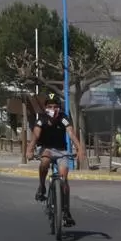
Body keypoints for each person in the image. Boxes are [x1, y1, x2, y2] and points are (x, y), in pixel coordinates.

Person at [27, 92, 84, 227]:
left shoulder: (63, 118)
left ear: (59, 107)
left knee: (64, 178)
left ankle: (66, 211)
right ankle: (42, 186)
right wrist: (29, 150)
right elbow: (35, 136)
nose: (53, 109)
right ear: (45, 108)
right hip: (46, 148)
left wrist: (80, 149)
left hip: (61, 151)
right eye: (50, 106)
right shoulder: (41, 119)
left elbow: (71, 133)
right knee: (45, 160)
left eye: (55, 106)